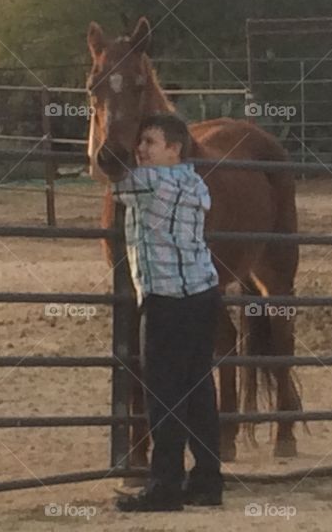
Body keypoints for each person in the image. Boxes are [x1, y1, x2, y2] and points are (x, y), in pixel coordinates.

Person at [112, 113, 225, 513]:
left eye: (150, 142)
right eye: (140, 142)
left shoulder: (148, 183)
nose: (141, 149)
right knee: (198, 390)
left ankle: (164, 486)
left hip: (167, 300)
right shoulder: (193, 181)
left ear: (174, 149)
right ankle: (209, 480)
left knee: (163, 396)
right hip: (203, 293)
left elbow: (103, 172)